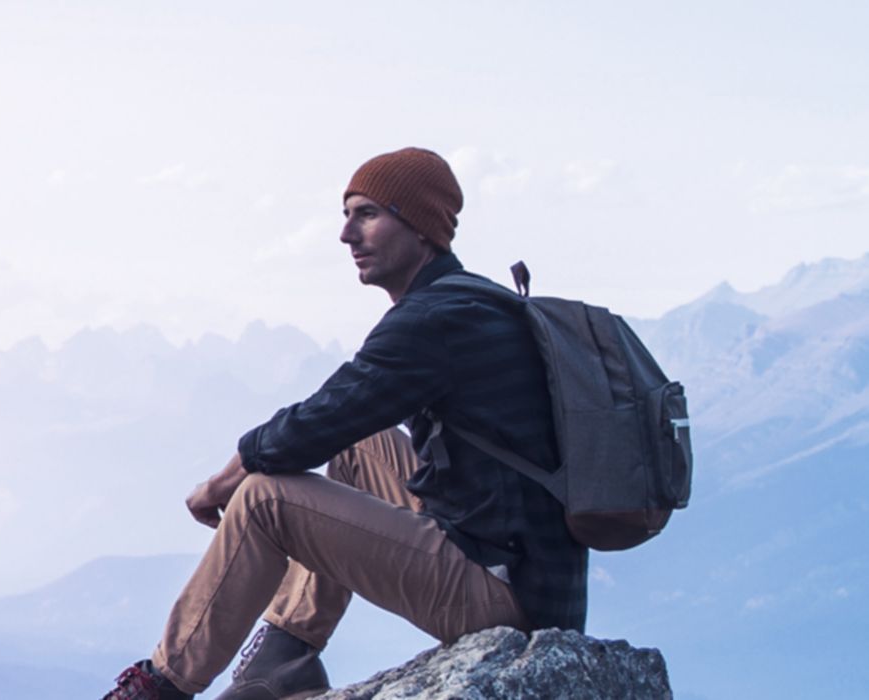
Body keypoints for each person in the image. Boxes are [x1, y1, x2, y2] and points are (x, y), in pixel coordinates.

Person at [102, 147, 587, 700]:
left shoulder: (432, 321)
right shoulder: (474, 301)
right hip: (522, 565)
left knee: (265, 498)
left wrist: (220, 484)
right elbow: (338, 412)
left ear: (422, 226)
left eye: (367, 214)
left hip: (504, 595)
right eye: (347, 214)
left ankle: (163, 685)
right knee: (362, 446)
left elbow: (311, 427)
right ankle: (285, 657)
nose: (345, 235)